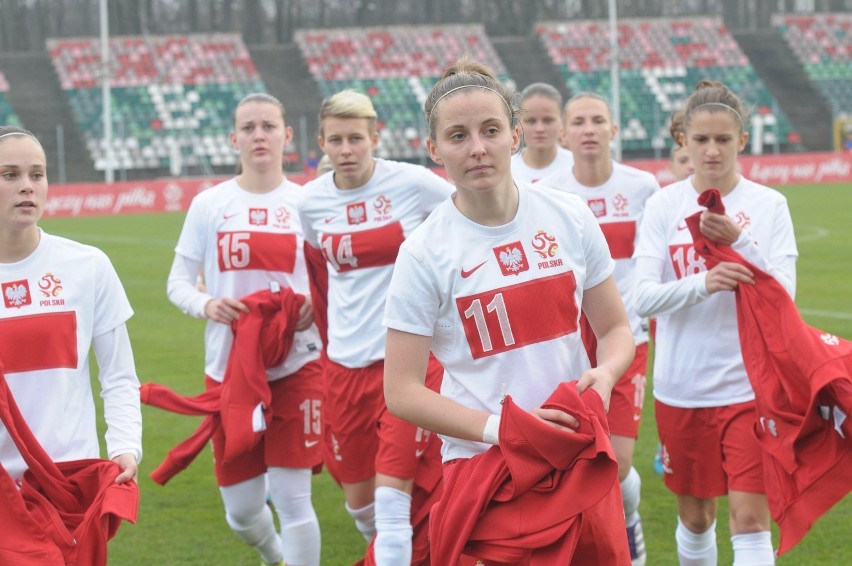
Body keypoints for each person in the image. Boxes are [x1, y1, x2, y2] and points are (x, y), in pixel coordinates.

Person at [383, 57, 635, 563]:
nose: (477, 147)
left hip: (577, 455)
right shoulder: (423, 252)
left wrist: (606, 375)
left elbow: (614, 329)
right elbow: (402, 391)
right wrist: (500, 429)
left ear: (515, 135)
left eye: (490, 129)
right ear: (434, 150)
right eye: (457, 135)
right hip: (489, 468)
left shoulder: (570, 216)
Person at [633, 81, 798, 565]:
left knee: (749, 519)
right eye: (700, 139)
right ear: (682, 140)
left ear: (742, 140)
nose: (711, 150)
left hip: (750, 388)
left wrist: (740, 242)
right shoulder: (663, 206)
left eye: (723, 139)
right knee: (696, 518)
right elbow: (642, 299)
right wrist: (703, 284)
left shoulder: (769, 206)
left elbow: (784, 295)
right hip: (682, 388)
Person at [297, 89, 453, 565]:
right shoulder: (309, 202)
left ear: (374, 137)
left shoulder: (414, 184)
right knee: (360, 499)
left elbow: (466, 218)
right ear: (322, 142)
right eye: (336, 140)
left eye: (356, 139)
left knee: (390, 502)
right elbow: (320, 274)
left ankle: (398, 548)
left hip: (405, 361)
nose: (346, 150)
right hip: (345, 366)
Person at [166, 93, 323, 566]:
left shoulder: (308, 203)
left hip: (298, 365)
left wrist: (316, 303)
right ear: (234, 138)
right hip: (230, 372)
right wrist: (208, 303)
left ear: (286, 136)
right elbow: (176, 283)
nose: (259, 135)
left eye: (269, 126)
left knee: (295, 499)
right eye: (249, 127)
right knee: (242, 512)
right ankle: (272, 554)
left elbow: (332, 276)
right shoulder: (210, 204)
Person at [538, 91, 660, 566]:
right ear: (566, 135)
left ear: (613, 131)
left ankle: (628, 525)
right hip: (568, 343)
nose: (589, 129)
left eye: (598, 121)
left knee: (619, 463)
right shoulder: (548, 192)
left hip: (625, 339)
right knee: (571, 459)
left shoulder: (642, 187)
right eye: (579, 123)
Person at [0, 126, 141, 483]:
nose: (27, 186)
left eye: (37, 174)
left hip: (72, 482)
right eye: (10, 175)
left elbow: (119, 375)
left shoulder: (88, 266)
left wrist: (125, 445)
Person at [510, 82, 574, 183]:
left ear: (562, 122)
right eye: (531, 121)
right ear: (519, 122)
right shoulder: (507, 169)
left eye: (548, 120)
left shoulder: (575, 166)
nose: (539, 129)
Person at [669, 110, 695, 183]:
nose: (691, 166)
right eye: (683, 161)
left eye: (696, 160)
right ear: (671, 167)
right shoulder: (662, 194)